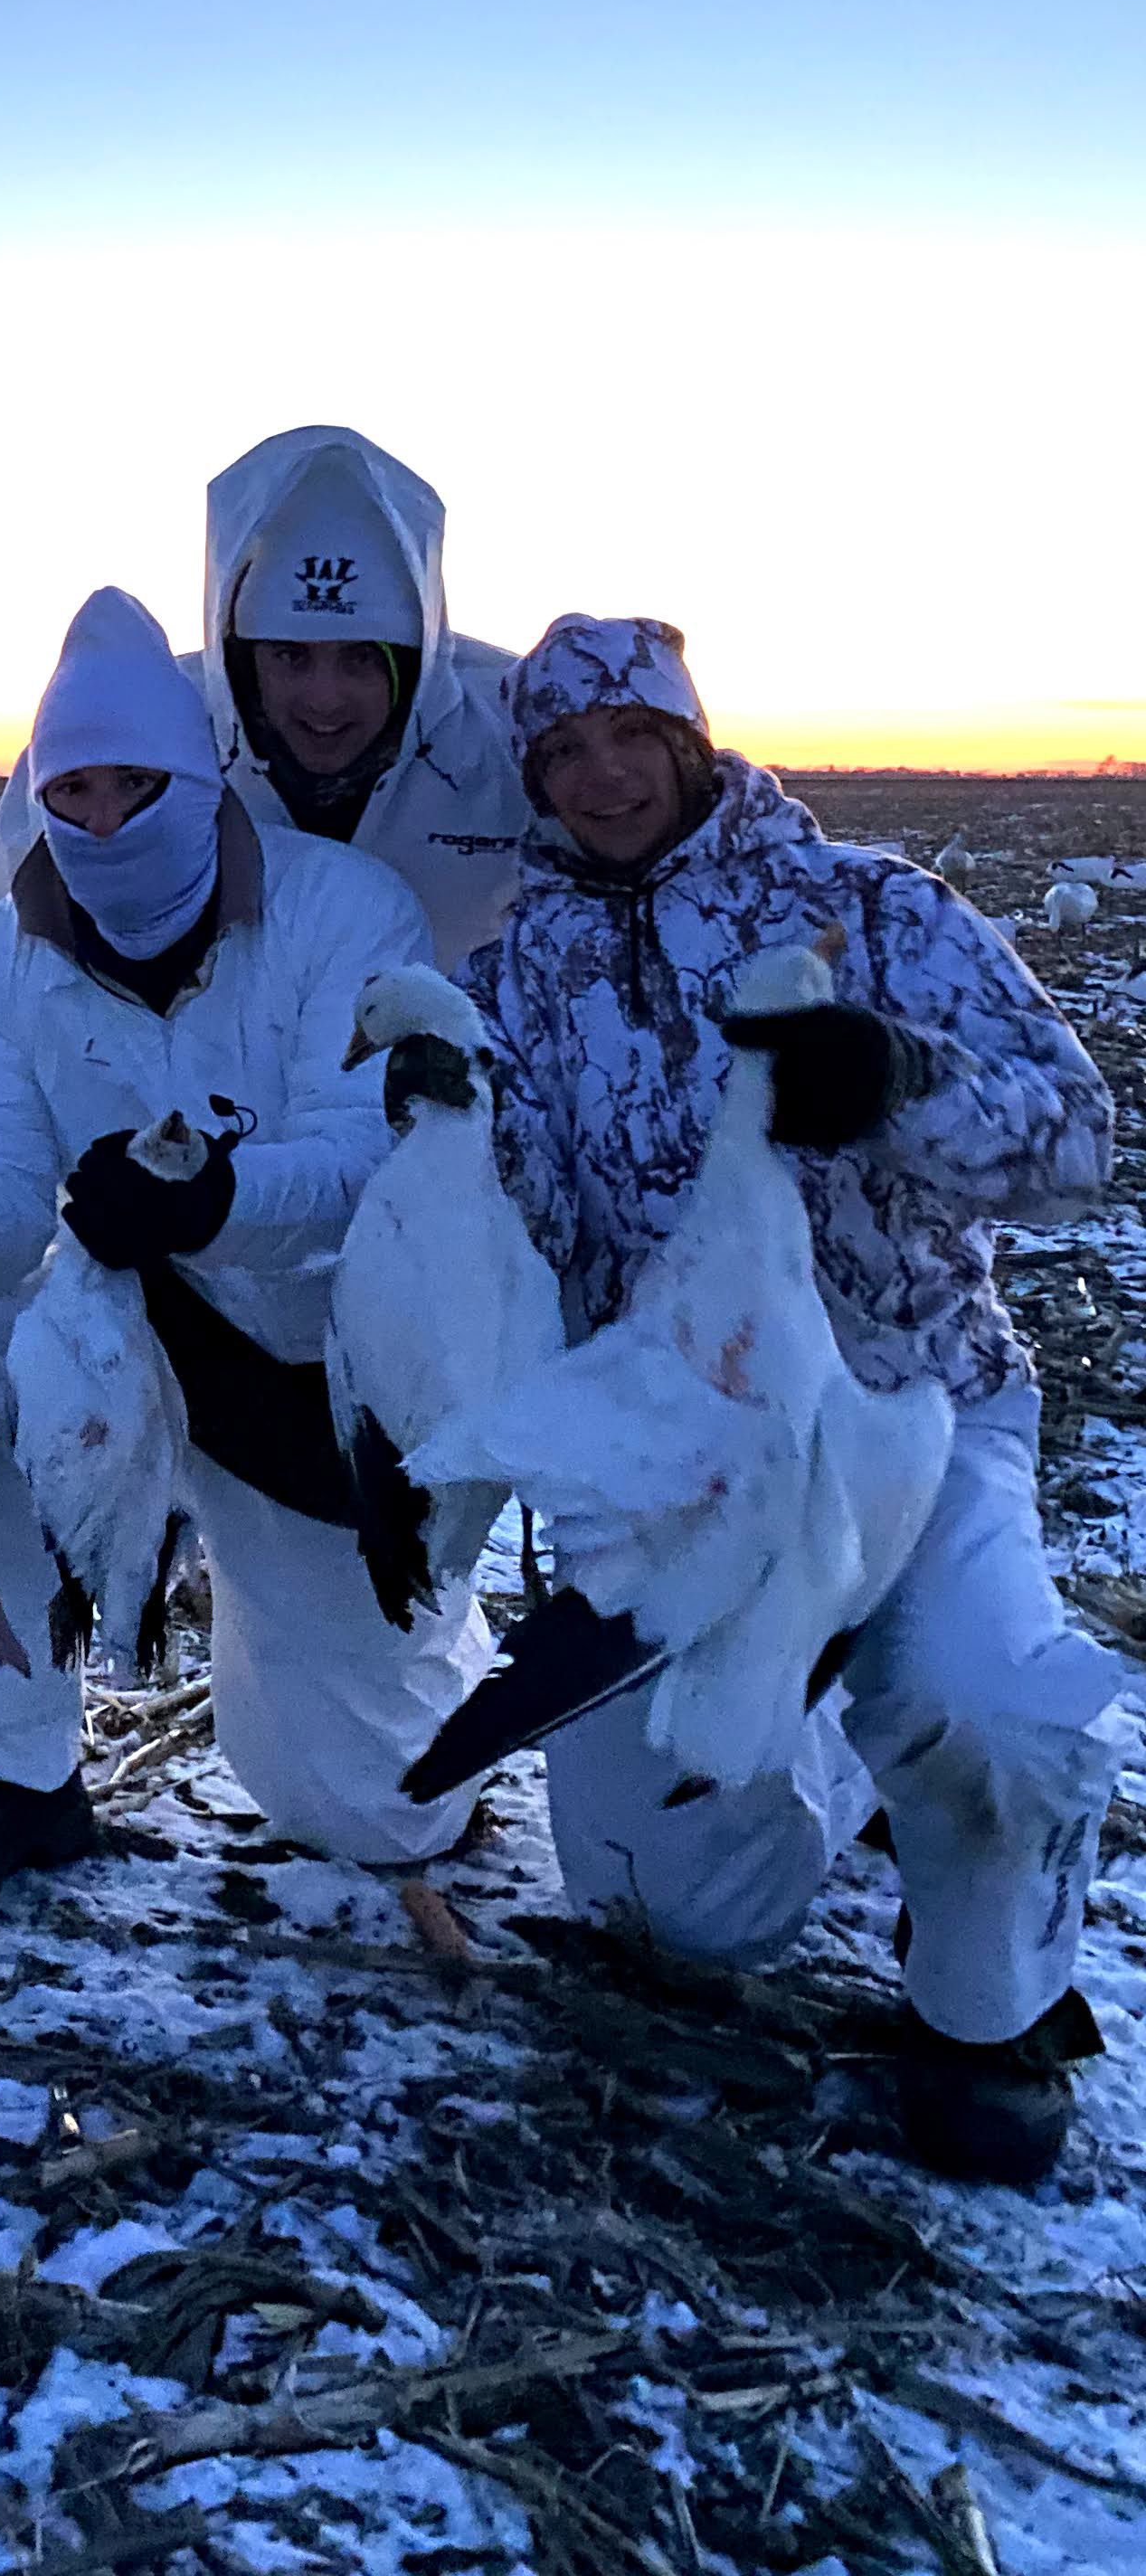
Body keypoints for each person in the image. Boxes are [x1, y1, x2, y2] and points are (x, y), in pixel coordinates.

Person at [474, 612, 1121, 2185]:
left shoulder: (872, 910)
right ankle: (823, 1746)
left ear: (691, 741)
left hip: (914, 1408)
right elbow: (529, 1231)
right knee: (666, 1907)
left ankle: (989, 1999)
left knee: (981, 1711)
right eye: (562, 753)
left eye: (633, 737)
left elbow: (1076, 1141)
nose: (603, 776)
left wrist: (896, 1083)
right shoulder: (517, 970)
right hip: (691, 1459)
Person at [0, 586, 488, 1921]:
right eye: (73, 792)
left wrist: (215, 1199)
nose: (104, 823)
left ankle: (413, 1625)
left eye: (137, 787)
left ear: (202, 779)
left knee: (379, 1804)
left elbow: (365, 1160)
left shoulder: (342, 912)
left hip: (313, 1364)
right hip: (117, 1328)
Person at [0, 426, 526, 969]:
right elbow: (17, 895)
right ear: (242, 655)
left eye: (360, 657)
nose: (324, 699)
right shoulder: (144, 727)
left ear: (413, 662)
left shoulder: (513, 731)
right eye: (290, 656)